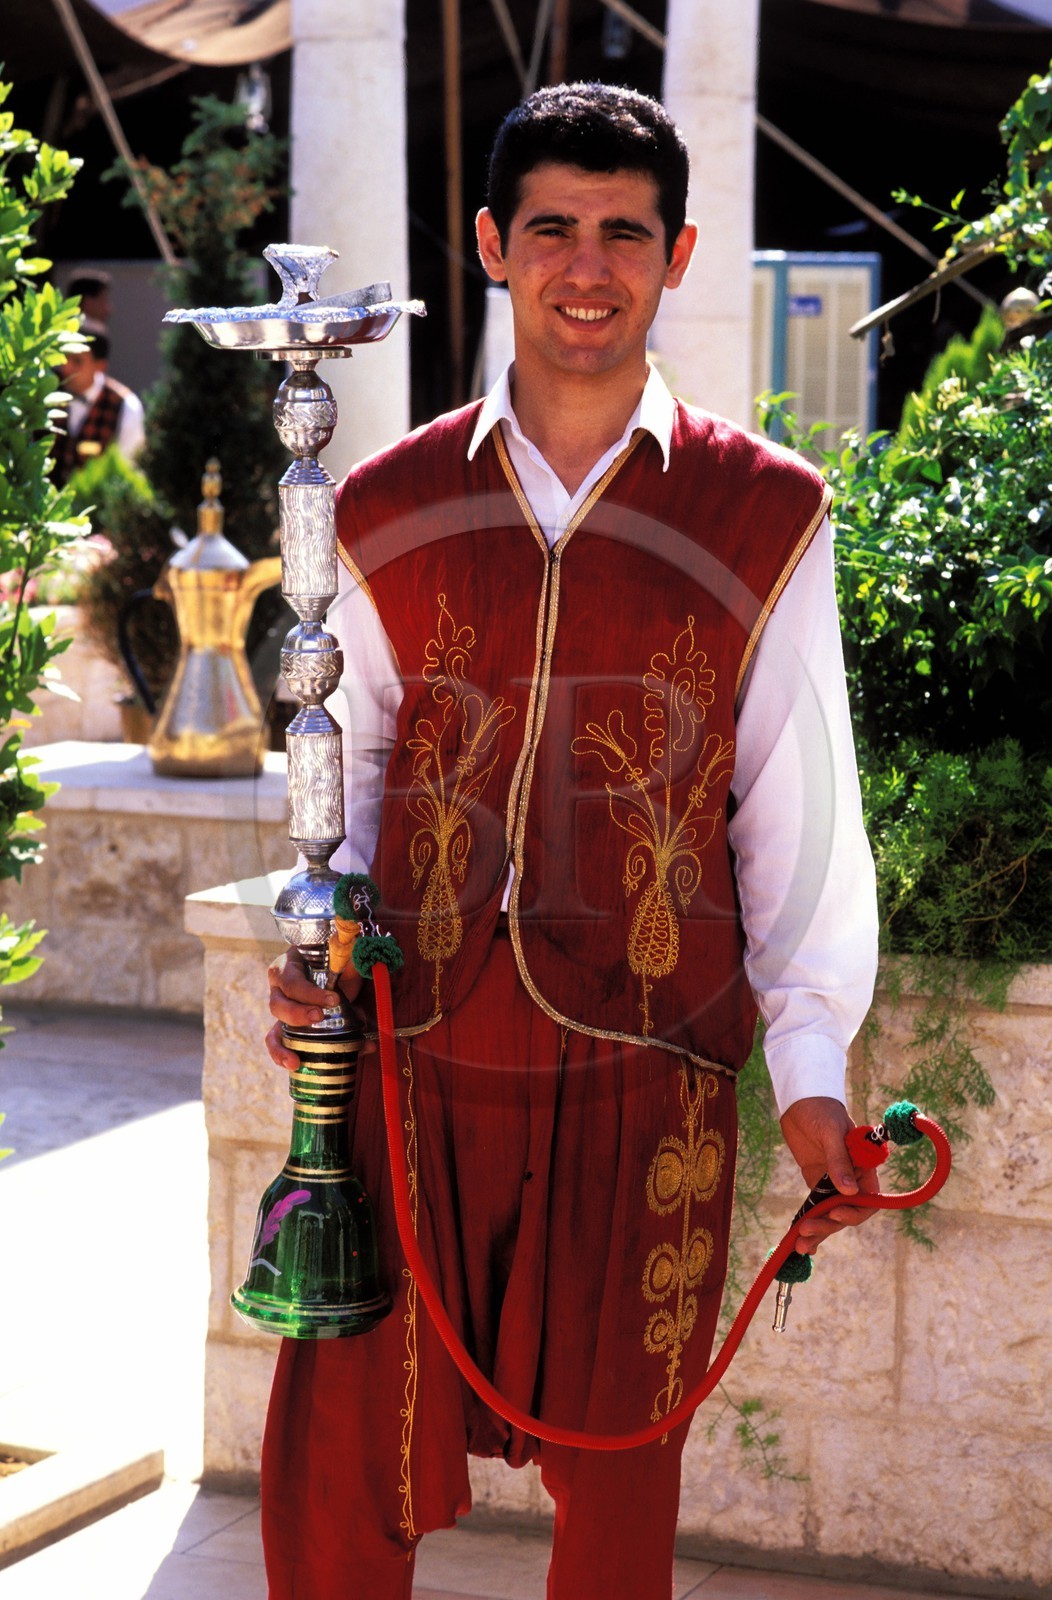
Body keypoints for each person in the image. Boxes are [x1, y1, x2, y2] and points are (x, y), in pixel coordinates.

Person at [262, 82, 879, 1600]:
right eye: (552, 228)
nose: (586, 266)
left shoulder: (763, 512)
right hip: (412, 1052)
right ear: (491, 244)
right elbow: (353, 758)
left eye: (623, 231)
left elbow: (798, 809)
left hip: (644, 1064)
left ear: (677, 256)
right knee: (342, 1453)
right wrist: (318, 960)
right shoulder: (385, 499)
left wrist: (808, 1072)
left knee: (619, 1497)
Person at [53, 320, 145, 484]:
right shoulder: (44, 392)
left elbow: (128, 472)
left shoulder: (126, 406)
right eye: (64, 357)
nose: (66, 367)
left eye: (77, 361)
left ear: (100, 366)